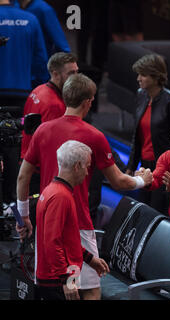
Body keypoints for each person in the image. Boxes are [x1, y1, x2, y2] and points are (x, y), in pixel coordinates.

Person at [16, 73, 153, 300]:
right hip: (77, 223)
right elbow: (119, 181)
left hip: (45, 222)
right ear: (88, 102)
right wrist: (143, 180)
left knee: (54, 287)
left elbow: (23, 177)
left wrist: (23, 218)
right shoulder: (94, 136)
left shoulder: (41, 130)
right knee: (87, 290)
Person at [36, 140, 110, 300]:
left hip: (56, 276)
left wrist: (90, 259)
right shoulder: (61, 197)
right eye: (87, 167)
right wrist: (66, 280)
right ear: (77, 166)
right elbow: (52, 242)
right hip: (55, 281)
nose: (87, 172)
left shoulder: (53, 190)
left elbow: (67, 239)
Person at [126, 54, 170, 213]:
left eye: (143, 74)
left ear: (156, 77)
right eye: (138, 74)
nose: (138, 78)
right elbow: (137, 135)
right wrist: (131, 167)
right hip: (144, 166)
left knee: (156, 213)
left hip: (162, 167)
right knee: (142, 210)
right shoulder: (141, 95)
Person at [21, 52, 78, 159]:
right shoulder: (54, 105)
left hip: (26, 155)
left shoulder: (38, 89)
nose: (76, 77)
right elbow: (50, 144)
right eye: (71, 73)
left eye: (76, 72)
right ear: (55, 74)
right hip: (38, 164)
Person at [0, 0, 48, 107]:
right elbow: (41, 59)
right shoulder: (31, 19)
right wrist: (37, 85)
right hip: (22, 91)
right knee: (20, 122)